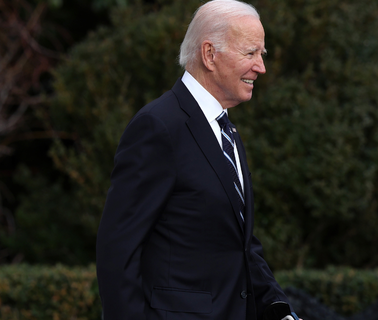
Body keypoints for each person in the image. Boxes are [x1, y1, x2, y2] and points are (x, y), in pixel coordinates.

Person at [95, 1, 300, 319]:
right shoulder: (158, 126)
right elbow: (117, 251)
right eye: (250, 53)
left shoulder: (227, 131)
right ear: (209, 55)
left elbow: (240, 243)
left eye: (262, 54)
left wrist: (277, 309)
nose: (261, 67)